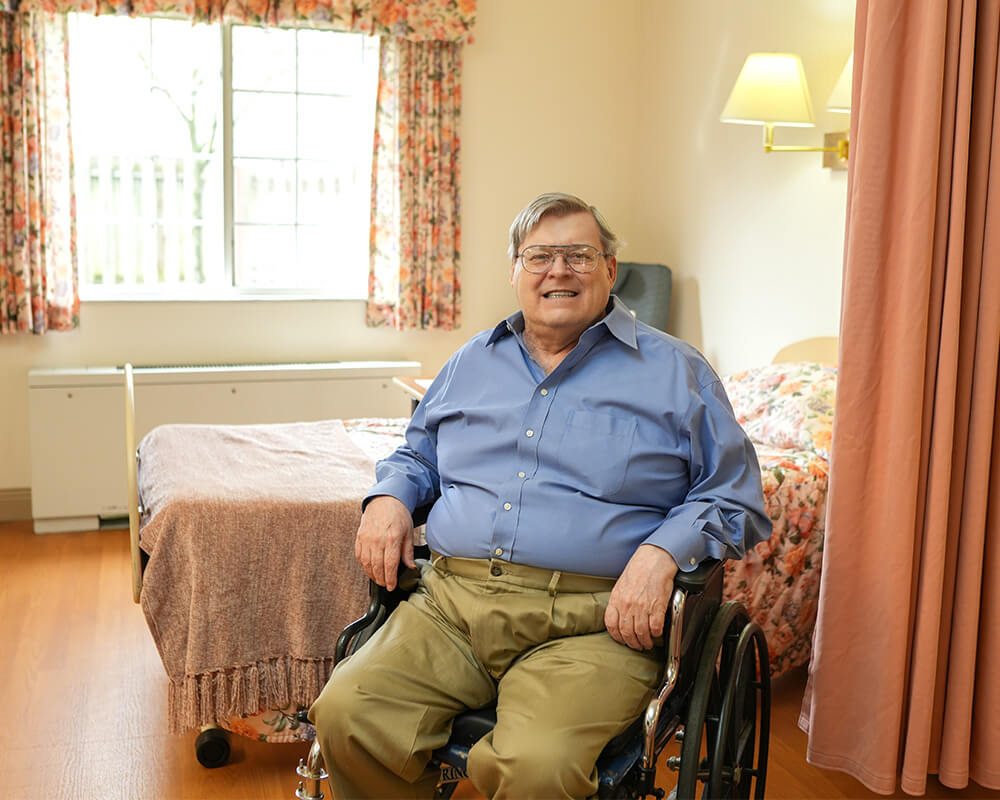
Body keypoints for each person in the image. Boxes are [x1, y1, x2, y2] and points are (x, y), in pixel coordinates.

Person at [310, 192, 770, 799]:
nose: (558, 270)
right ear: (515, 272)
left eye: (579, 255)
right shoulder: (471, 361)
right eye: (540, 256)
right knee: (346, 713)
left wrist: (663, 552)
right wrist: (390, 498)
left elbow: (735, 496)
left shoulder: (676, 371)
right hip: (450, 604)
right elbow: (418, 453)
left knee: (538, 765)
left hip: (593, 623)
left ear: (610, 269)